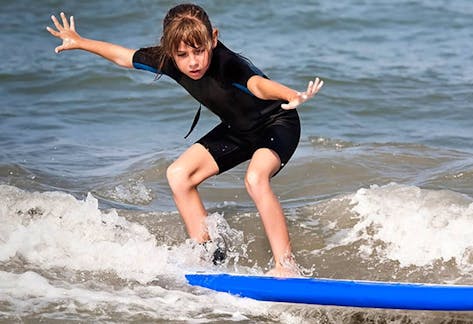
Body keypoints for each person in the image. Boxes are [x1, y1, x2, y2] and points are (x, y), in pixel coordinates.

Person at [47, 3, 323, 277]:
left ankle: (286, 267)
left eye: (199, 51)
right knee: (179, 175)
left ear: (213, 39)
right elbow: (124, 57)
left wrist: (289, 94)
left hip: (277, 123)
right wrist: (81, 42)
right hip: (238, 129)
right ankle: (209, 257)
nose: (193, 61)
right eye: (183, 54)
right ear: (170, 52)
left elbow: (256, 85)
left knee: (255, 178)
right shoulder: (168, 60)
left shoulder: (227, 63)